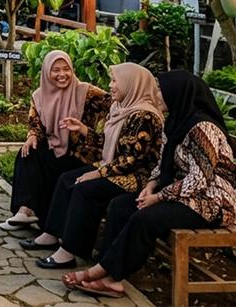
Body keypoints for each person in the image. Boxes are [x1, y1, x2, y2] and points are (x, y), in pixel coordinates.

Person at [62, 71, 236, 299]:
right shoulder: (175, 122)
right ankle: (111, 276)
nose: (157, 96)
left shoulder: (204, 128)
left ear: (178, 94)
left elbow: (199, 179)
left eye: (162, 91)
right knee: (121, 206)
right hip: (184, 194)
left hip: (213, 202)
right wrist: (152, 185)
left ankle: (104, 273)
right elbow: (162, 163)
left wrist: (159, 197)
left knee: (146, 218)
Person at [23, 63, 166, 269]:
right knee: (67, 179)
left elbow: (131, 160)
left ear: (131, 84)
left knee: (86, 189)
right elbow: (107, 144)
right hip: (114, 168)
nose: (110, 86)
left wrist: (97, 174)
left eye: (115, 81)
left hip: (138, 178)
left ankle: (69, 252)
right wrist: (82, 129)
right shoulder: (122, 108)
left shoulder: (144, 115)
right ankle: (51, 234)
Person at [2, 51, 111, 231]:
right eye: (56, 70)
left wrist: (94, 130)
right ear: (46, 72)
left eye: (66, 69)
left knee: (53, 165)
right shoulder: (39, 95)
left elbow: (116, 103)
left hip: (81, 154)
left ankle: (40, 216)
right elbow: (35, 123)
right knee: (27, 153)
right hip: (56, 147)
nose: (62, 74)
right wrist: (32, 136)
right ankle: (25, 210)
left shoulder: (86, 91)